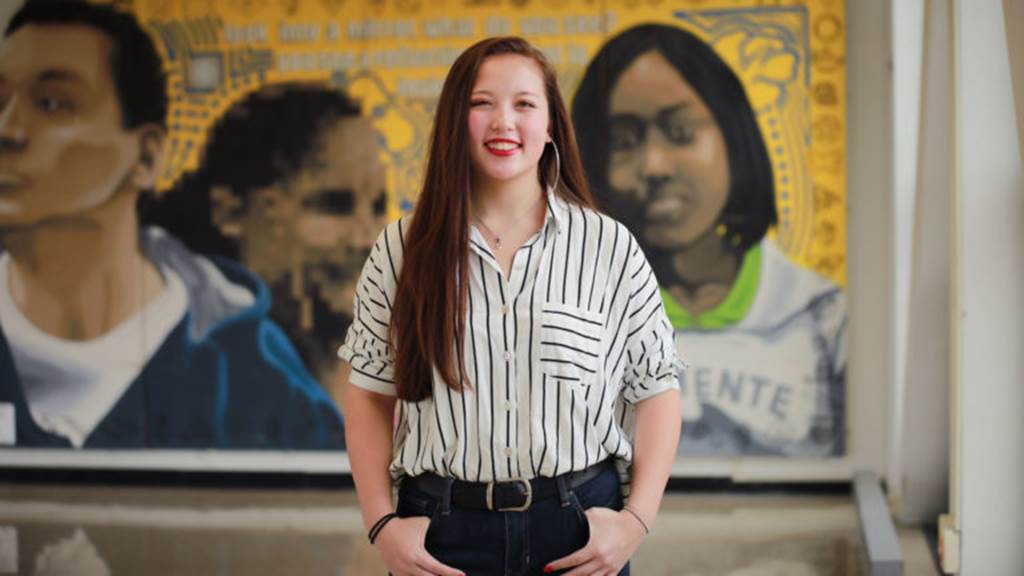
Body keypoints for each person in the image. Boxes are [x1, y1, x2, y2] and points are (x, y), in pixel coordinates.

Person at [339, 36, 684, 576]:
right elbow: (369, 395)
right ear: (456, 121)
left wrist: (636, 520)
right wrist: (382, 524)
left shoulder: (609, 247)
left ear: (550, 127)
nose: (504, 121)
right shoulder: (402, 249)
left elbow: (658, 390)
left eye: (525, 104)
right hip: (442, 532)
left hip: (578, 527)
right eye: (482, 103)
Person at [0, 2, 343, 449]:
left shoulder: (254, 377)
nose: (8, 130)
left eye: (51, 103)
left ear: (145, 157)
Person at [572, 23, 846, 457]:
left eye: (681, 133)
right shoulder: (577, 317)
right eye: (623, 141)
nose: (655, 166)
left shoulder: (823, 320)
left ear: (734, 139)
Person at [154, 83, 387, 393]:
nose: (367, 239)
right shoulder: (176, 374)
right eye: (333, 205)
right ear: (231, 213)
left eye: (378, 207)